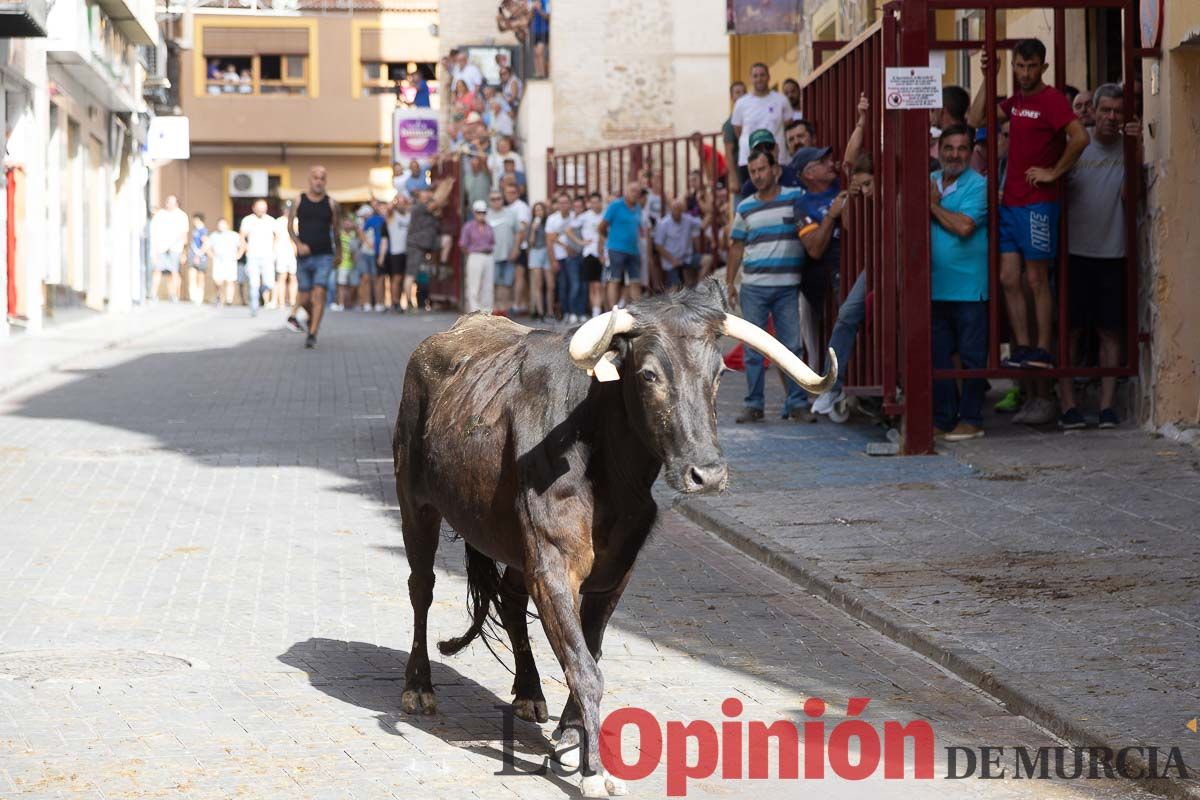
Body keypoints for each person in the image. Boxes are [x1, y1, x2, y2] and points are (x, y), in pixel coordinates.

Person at [967, 38, 1089, 382]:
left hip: (1038, 203)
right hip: (1010, 202)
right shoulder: (1016, 101)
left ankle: (1043, 350)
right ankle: (1022, 348)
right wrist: (988, 76)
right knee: (1008, 278)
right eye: (1020, 66)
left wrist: (1054, 172)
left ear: (1043, 67)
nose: (1025, 73)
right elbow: (975, 117)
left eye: (1031, 66)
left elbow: (1081, 137)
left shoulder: (1052, 100)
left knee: (1036, 279)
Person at [1058, 83, 1139, 431]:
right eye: (1105, 110)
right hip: (1072, 252)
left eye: (1117, 112)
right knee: (1069, 331)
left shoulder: (1128, 148)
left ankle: (1107, 407)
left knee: (1110, 331)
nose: (1111, 117)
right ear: (1093, 110)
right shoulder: (1077, 144)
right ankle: (1068, 406)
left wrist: (1137, 148)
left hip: (1112, 252)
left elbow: (1131, 195)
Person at [726, 148, 808, 424]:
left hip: (787, 287)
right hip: (754, 288)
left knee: (792, 347)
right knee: (752, 350)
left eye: (762, 169)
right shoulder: (745, 207)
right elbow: (736, 246)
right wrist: (730, 283)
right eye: (753, 172)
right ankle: (754, 404)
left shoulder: (795, 198)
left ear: (775, 170)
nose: (758, 176)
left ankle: (797, 403)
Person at [930, 125, 990, 441]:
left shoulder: (979, 185)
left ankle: (971, 418)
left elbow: (965, 226)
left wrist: (931, 205)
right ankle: (943, 418)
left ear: (970, 152)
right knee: (938, 356)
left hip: (969, 287)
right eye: (949, 148)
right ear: (939, 150)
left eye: (962, 148)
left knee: (971, 356)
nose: (955, 155)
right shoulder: (929, 181)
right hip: (934, 286)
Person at [793, 146, 849, 374]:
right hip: (834, 272)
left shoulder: (842, 184)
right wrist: (832, 215)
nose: (830, 164)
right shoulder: (803, 205)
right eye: (822, 162)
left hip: (858, 263)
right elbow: (814, 249)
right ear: (809, 173)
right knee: (841, 323)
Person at [287, 165, 341, 349]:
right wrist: (298, 244)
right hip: (303, 257)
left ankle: (312, 334)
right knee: (304, 298)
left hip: (324, 255)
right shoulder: (299, 200)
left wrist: (339, 253)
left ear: (325, 181)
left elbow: (336, 231)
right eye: (315, 178)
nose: (319, 181)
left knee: (319, 294)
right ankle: (312, 318)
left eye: (322, 178)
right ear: (310, 180)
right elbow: (289, 228)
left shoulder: (331, 203)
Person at [731, 63, 789, 189]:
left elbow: (788, 125)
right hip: (748, 160)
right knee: (752, 198)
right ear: (750, 79)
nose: (759, 79)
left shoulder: (781, 100)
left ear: (768, 76)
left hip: (778, 160)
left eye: (762, 75)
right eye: (755, 76)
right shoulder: (741, 103)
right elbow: (737, 131)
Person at [406, 180, 453, 313]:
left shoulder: (428, 207)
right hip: (416, 244)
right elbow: (437, 202)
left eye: (428, 192)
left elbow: (442, 203)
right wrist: (446, 186)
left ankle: (442, 265)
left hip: (429, 242)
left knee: (446, 240)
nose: (427, 194)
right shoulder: (418, 206)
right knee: (411, 274)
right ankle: (409, 304)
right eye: (425, 192)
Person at [598, 179, 644, 308]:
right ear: (626, 191)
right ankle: (613, 312)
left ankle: (639, 313)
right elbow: (601, 227)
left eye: (638, 192)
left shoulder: (638, 208)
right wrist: (610, 239)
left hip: (633, 250)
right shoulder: (615, 206)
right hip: (616, 249)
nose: (635, 194)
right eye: (633, 191)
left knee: (635, 281)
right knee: (615, 280)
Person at [653, 198, 706, 292]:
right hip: (671, 262)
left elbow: (702, 224)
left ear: (682, 210)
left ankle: (699, 289)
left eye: (679, 209)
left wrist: (710, 213)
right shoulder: (663, 223)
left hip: (686, 258)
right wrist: (672, 260)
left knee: (707, 260)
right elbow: (658, 246)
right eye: (675, 208)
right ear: (670, 209)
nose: (677, 211)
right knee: (674, 290)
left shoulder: (687, 219)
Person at [546, 192, 582, 323]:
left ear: (570, 204)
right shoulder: (552, 219)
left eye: (566, 202)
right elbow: (549, 241)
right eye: (561, 203)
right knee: (562, 286)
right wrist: (553, 261)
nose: (563, 205)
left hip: (574, 257)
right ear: (557, 204)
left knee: (575, 284)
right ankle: (566, 312)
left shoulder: (575, 217)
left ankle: (575, 311)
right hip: (559, 257)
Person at [239, 199, 277, 317]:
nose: (262, 210)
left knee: (270, 283)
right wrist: (244, 248)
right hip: (253, 256)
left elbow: (277, 236)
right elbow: (242, 236)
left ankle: (261, 291)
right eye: (259, 208)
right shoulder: (248, 220)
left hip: (267, 256)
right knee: (253, 283)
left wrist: (274, 250)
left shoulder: (271, 220)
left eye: (263, 208)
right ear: (254, 208)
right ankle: (254, 307)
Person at [149, 196, 189, 303]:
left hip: (175, 249)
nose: (169, 204)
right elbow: (154, 233)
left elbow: (184, 235)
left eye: (172, 202)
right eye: (168, 202)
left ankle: (174, 295)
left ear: (177, 204)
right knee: (157, 271)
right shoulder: (160, 215)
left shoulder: (182, 216)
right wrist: (154, 251)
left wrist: (184, 252)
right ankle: (153, 294)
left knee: (174, 273)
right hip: (161, 249)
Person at [739, 129, 800, 198]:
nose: (765, 152)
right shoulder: (749, 188)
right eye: (759, 149)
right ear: (751, 154)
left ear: (777, 148)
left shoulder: (796, 176)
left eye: (768, 146)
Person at [486, 190, 520, 313]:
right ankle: (494, 309)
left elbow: (518, 233)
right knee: (492, 283)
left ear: (502, 199)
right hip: (492, 256)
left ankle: (504, 309)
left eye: (498, 198)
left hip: (508, 254)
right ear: (489, 201)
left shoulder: (511, 213)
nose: (496, 201)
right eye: (493, 199)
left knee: (507, 283)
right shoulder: (486, 215)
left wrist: (516, 249)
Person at [460, 199, 497, 313]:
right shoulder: (468, 227)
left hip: (488, 256)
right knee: (473, 284)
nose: (481, 215)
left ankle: (487, 311)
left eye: (483, 212)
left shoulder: (489, 226)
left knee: (488, 285)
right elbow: (463, 244)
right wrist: (471, 254)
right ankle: (474, 311)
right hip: (475, 255)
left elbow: (492, 242)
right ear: (474, 212)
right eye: (479, 212)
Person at [502, 181, 531, 315]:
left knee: (519, 275)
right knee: (511, 277)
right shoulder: (507, 207)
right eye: (508, 192)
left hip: (519, 246)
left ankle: (517, 305)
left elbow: (522, 229)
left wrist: (516, 247)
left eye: (513, 192)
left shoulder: (521, 207)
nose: (510, 195)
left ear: (518, 194)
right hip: (508, 246)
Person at [577, 191, 606, 318]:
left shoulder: (606, 214)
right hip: (589, 253)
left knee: (601, 285)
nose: (595, 205)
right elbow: (568, 229)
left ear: (601, 202)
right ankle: (595, 312)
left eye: (597, 202)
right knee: (593, 285)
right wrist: (580, 242)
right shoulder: (585, 216)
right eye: (592, 202)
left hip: (604, 254)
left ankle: (600, 310)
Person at [204, 218, 242, 307]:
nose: (221, 226)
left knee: (230, 280)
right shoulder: (214, 235)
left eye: (223, 224)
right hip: (218, 260)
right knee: (218, 281)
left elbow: (242, 245)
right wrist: (212, 255)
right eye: (220, 224)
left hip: (230, 260)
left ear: (227, 225)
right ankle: (219, 296)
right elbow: (207, 247)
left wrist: (238, 255)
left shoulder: (234, 235)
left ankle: (229, 300)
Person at [385, 196, 413, 312]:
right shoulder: (393, 216)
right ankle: (395, 302)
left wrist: (408, 201)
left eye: (404, 202)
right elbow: (388, 209)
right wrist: (395, 199)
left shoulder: (408, 216)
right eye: (400, 203)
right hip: (396, 252)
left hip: (408, 250)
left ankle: (401, 301)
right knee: (396, 278)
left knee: (404, 279)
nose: (402, 204)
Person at [359, 201, 388, 310]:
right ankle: (367, 302)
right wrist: (367, 243)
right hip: (370, 252)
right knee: (367, 278)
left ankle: (379, 302)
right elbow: (361, 231)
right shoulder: (373, 219)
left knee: (378, 278)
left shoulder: (388, 218)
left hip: (382, 252)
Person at [527, 202, 551, 321]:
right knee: (538, 284)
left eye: (540, 210)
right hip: (535, 252)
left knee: (550, 284)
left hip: (547, 251)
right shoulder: (531, 224)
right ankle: (540, 312)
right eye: (536, 210)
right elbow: (530, 243)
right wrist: (533, 230)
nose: (539, 212)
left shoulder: (548, 222)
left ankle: (550, 312)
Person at [723, 81, 748, 191]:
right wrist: (733, 179)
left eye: (744, 92)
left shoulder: (750, 118)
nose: (741, 95)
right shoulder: (730, 124)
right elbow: (728, 153)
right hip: (740, 176)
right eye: (737, 92)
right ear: (732, 97)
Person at [274, 209, 298, 313]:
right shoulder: (278, 221)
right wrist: (274, 251)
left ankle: (293, 301)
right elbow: (275, 237)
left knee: (293, 277)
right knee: (282, 277)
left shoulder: (296, 220)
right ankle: (281, 302)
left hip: (292, 252)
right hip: (281, 251)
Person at [334, 216, 358, 311]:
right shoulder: (340, 234)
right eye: (345, 223)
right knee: (341, 284)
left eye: (349, 223)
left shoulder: (354, 234)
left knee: (353, 284)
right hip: (342, 264)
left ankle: (350, 303)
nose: (347, 225)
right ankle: (341, 304)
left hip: (353, 264)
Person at [188, 213, 208, 305]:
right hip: (193, 255)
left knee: (200, 276)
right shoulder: (195, 230)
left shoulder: (203, 230)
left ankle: (199, 297)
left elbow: (205, 243)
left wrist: (199, 255)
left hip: (200, 256)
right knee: (192, 275)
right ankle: (193, 296)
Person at [529, 0, 550, 78]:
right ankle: (538, 73)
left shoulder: (546, 2)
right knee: (535, 53)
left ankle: (543, 74)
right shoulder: (531, 1)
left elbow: (547, 17)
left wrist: (539, 9)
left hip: (543, 31)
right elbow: (529, 18)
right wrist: (532, 9)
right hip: (534, 31)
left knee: (540, 52)